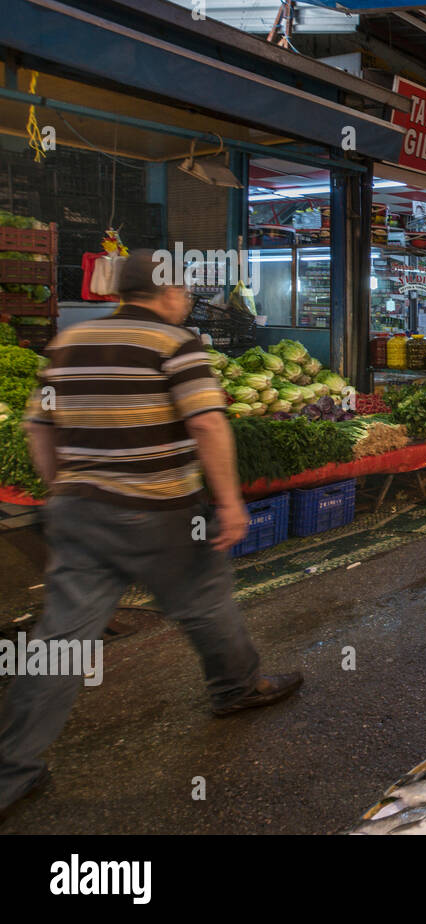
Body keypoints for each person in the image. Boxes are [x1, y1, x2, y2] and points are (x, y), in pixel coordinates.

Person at [0, 253, 302, 823]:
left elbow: (37, 425)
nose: (187, 299)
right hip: (158, 510)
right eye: (184, 290)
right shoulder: (174, 344)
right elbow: (208, 422)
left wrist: (63, 488)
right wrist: (232, 500)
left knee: (61, 642)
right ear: (162, 293)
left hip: (80, 512)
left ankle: (11, 771)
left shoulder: (67, 345)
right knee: (206, 604)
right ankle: (237, 687)